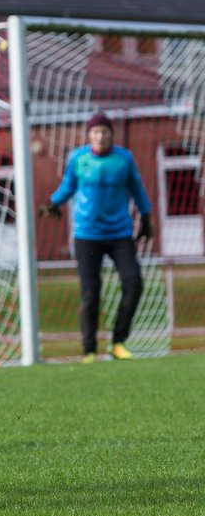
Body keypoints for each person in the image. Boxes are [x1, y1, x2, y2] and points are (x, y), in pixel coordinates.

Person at [38, 111, 153, 362]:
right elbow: (68, 185)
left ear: (112, 134)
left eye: (105, 132)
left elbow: (137, 188)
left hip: (120, 233)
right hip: (87, 235)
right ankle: (89, 350)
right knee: (91, 292)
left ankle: (118, 342)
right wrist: (53, 203)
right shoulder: (78, 159)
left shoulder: (124, 159)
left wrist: (146, 218)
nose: (100, 136)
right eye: (96, 132)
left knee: (134, 283)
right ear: (90, 135)